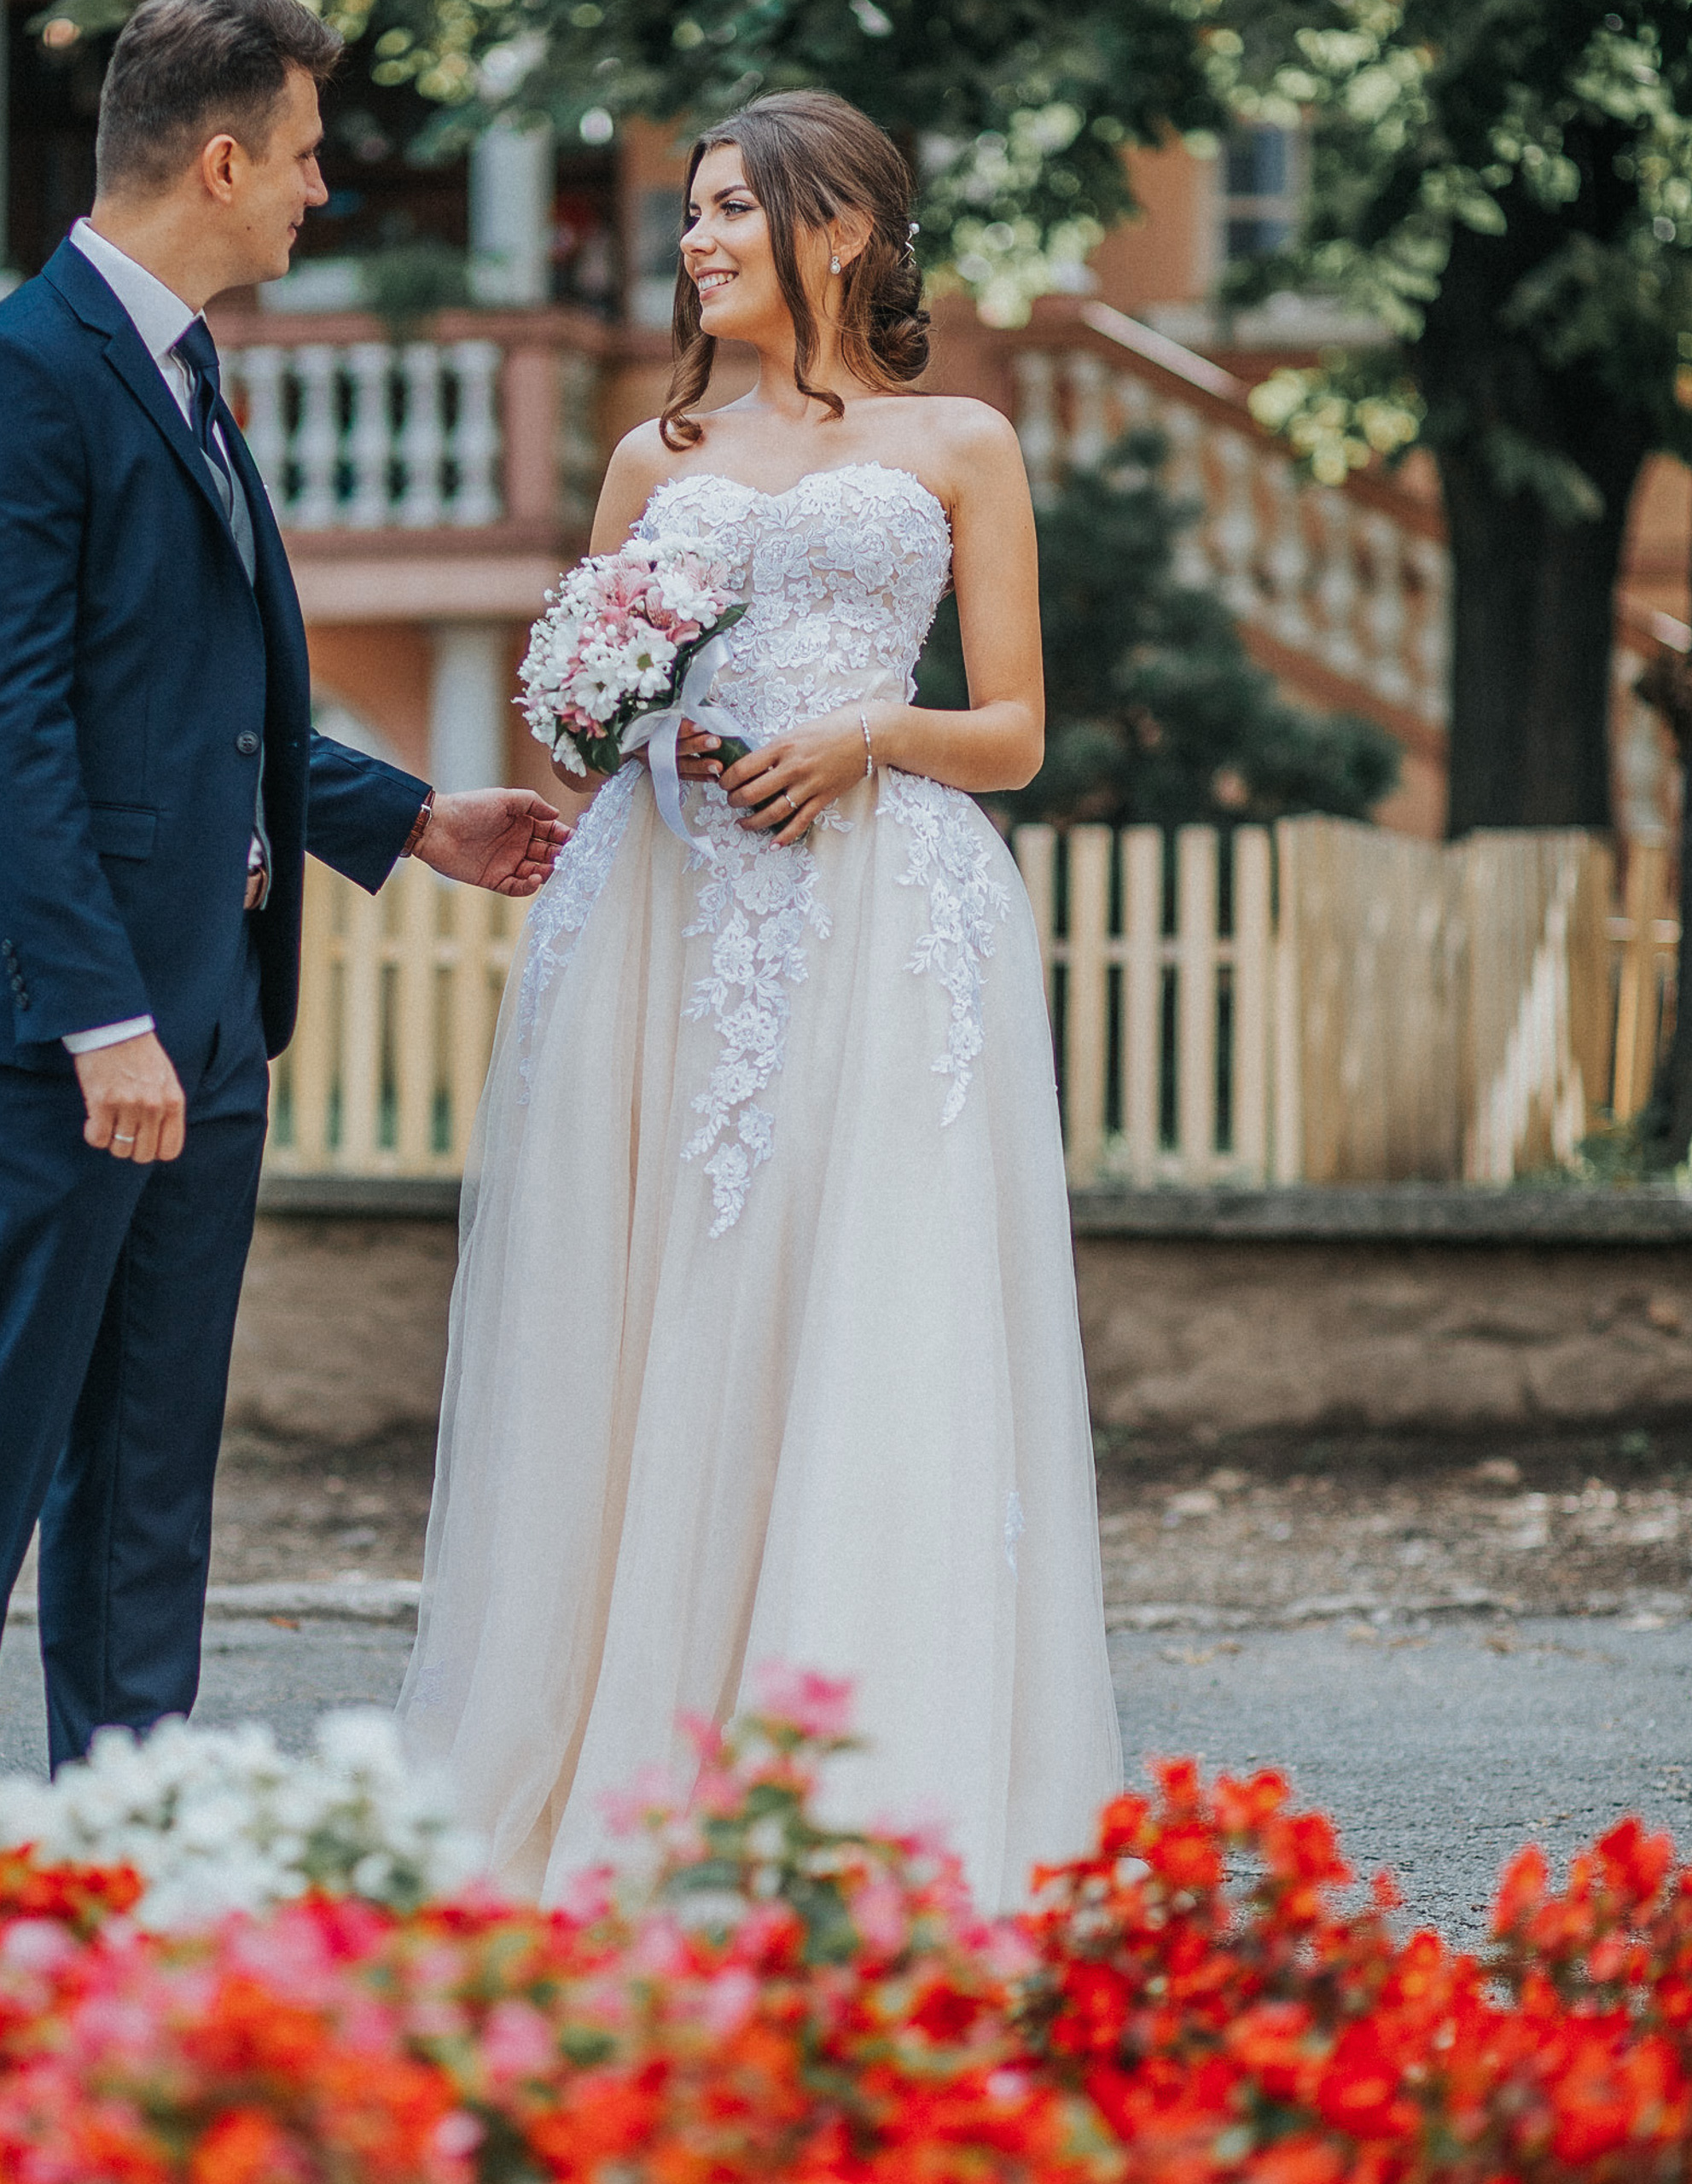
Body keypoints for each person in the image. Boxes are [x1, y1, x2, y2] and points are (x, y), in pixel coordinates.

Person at [397, 89, 1121, 1907]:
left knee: (857, 1309)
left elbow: (1016, 732)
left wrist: (869, 732)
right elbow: (581, 710)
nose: (698, 241)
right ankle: (638, 1768)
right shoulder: (657, 453)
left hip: (880, 924)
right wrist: (589, 714)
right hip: (671, 918)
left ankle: (869, 1783)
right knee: (658, 1314)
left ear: (843, 230)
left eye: (733, 210)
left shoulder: (959, 441)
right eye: (692, 217)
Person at [0, 0, 567, 1776]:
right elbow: (3, 739)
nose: (324, 190)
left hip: (208, 1015)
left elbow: (180, 718)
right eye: (310, 156)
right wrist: (103, 1016)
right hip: (49, 1032)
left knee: (150, 1468)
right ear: (224, 159)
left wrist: (406, 821)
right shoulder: (10, 378)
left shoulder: (184, 375)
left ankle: (131, 1825)